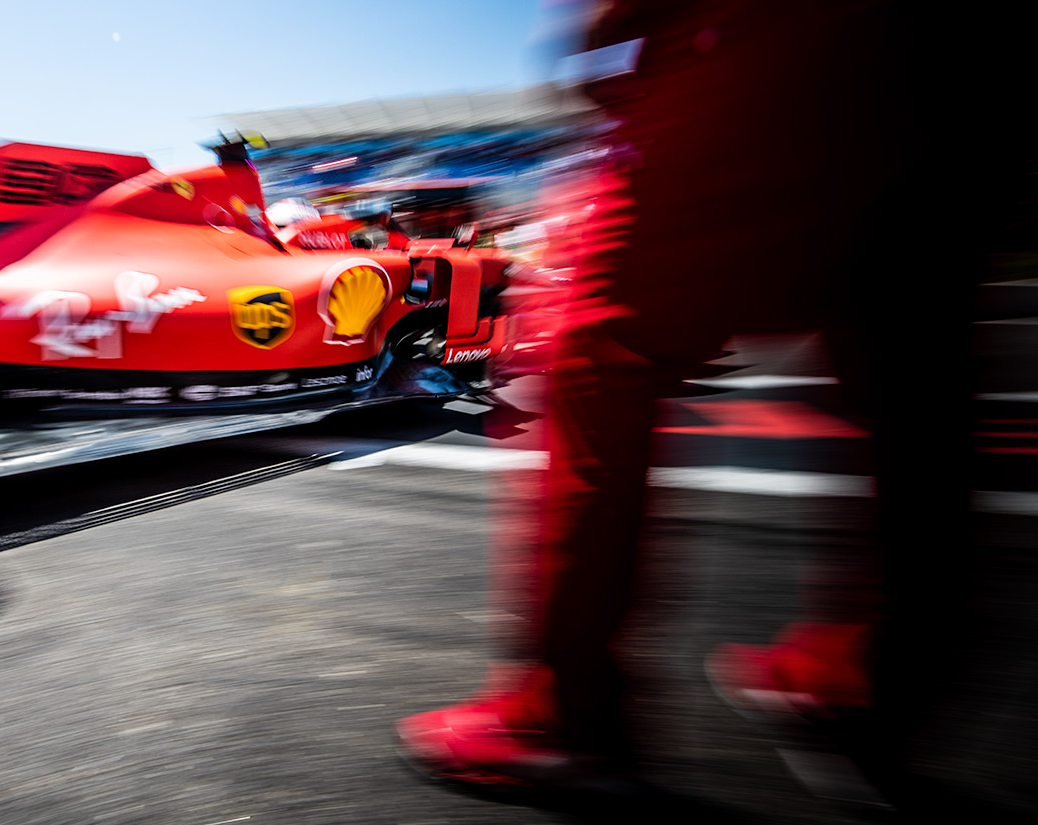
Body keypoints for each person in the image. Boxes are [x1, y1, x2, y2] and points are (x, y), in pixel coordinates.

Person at [396, 0, 1030, 817]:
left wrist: (610, 23)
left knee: (601, 357)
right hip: (949, 69)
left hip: (754, 49)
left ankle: (563, 716)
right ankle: (872, 686)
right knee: (916, 387)